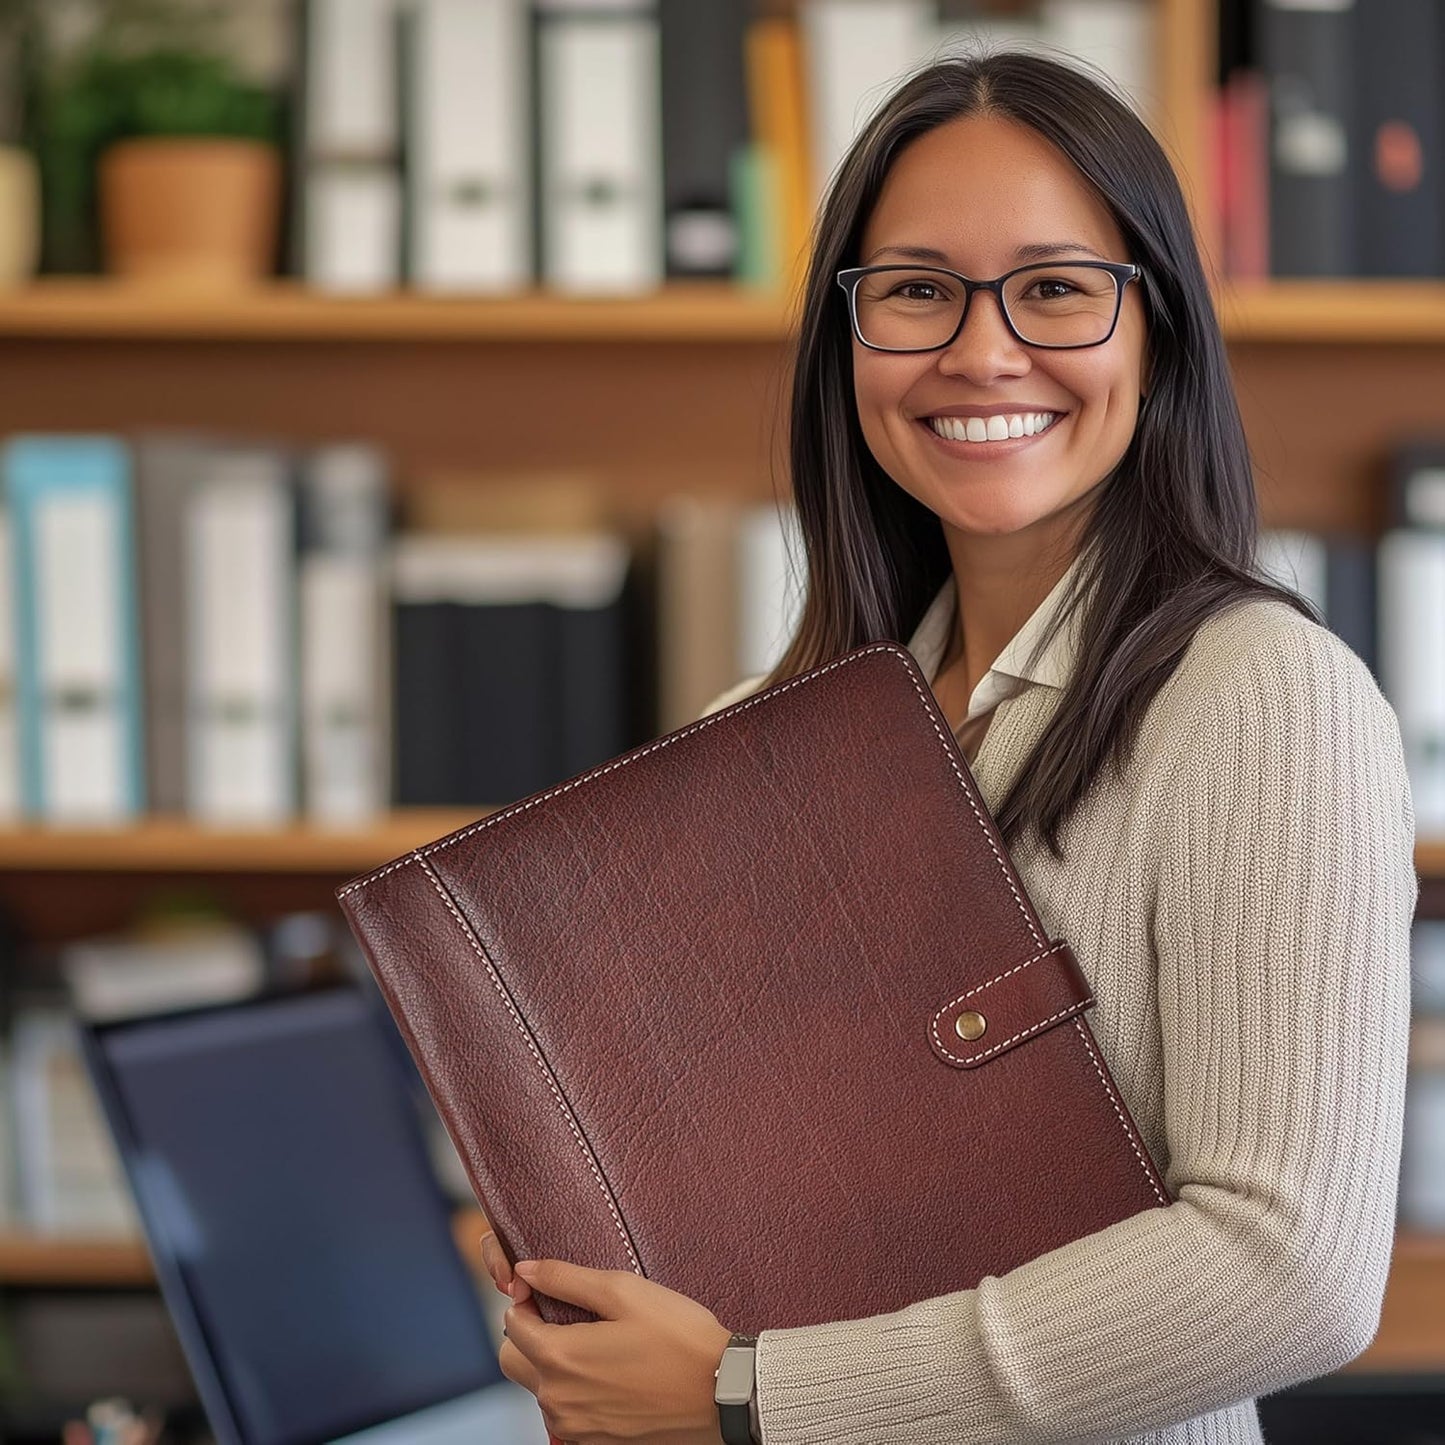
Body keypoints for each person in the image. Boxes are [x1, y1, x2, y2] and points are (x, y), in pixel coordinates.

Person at [479, 49, 1418, 1445]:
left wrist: (748, 1395)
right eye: (915, 290)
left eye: (1052, 287)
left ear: (1155, 329)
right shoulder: (761, 733)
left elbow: (1291, 1267)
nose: (979, 352)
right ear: (845, 337)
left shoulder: (1258, 694)